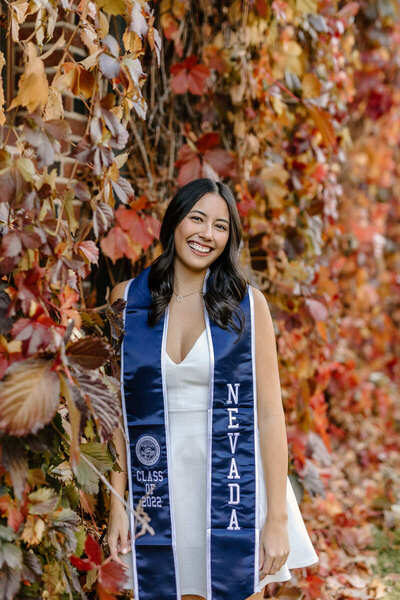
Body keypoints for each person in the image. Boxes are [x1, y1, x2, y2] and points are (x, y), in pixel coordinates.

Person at [107, 178, 318, 600]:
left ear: (229, 238)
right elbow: (116, 412)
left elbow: (270, 414)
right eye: (197, 219)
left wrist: (275, 517)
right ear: (173, 224)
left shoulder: (246, 306)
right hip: (158, 486)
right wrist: (117, 505)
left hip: (232, 482)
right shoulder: (127, 300)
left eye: (220, 226)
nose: (207, 234)